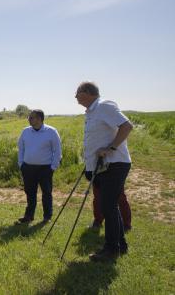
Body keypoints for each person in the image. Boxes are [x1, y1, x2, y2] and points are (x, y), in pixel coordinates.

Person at [76, 81, 134, 262]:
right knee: (109, 206)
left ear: (87, 93)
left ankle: (111, 249)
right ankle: (120, 245)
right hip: (100, 166)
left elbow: (127, 126)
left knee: (108, 206)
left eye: (77, 93)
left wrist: (111, 148)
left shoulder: (104, 106)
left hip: (114, 164)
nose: (75, 97)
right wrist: (89, 166)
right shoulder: (92, 112)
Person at [16, 109, 62, 224]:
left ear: (40, 119)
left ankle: (47, 216)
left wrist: (53, 167)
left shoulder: (51, 131)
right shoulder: (25, 131)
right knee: (30, 192)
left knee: (46, 193)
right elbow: (21, 148)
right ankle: (29, 216)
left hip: (45, 169)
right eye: (29, 117)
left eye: (32, 117)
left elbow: (57, 151)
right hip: (28, 168)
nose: (29, 119)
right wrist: (21, 164)